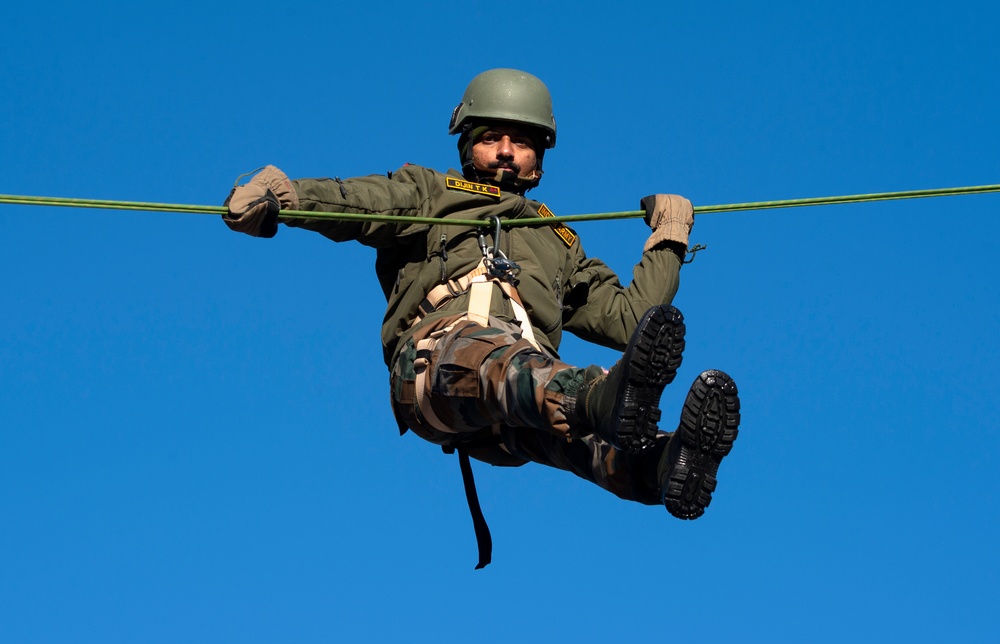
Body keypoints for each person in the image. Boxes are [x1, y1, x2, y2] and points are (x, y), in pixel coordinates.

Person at [222, 68, 740, 566]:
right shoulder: (429, 192)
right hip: (435, 367)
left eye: (523, 141)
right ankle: (599, 397)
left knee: (581, 439)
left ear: (541, 156)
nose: (508, 151)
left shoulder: (559, 240)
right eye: (493, 137)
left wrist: (669, 237)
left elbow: (630, 321)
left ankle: (663, 464)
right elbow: (355, 202)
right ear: (467, 142)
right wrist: (283, 196)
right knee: (521, 370)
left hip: (510, 414)